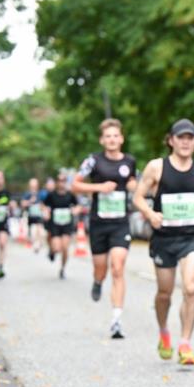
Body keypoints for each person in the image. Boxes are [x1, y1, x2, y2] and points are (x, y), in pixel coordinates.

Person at [133, 118, 194, 366]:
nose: (185, 142)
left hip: (190, 236)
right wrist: (150, 214)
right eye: (180, 137)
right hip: (164, 238)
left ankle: (185, 343)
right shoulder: (156, 167)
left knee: (191, 287)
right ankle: (164, 333)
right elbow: (138, 197)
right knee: (165, 293)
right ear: (171, 140)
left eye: (190, 138)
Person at [72, 118, 138, 338]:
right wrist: (99, 187)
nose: (111, 139)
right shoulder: (93, 161)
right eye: (107, 136)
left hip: (120, 223)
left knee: (118, 267)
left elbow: (134, 183)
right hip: (99, 223)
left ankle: (116, 320)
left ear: (121, 138)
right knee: (101, 268)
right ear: (102, 140)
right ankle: (98, 281)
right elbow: (75, 184)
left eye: (115, 135)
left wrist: (133, 185)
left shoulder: (129, 161)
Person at [44, 171, 79, 279]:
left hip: (67, 224)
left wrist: (75, 210)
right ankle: (52, 251)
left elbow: (78, 206)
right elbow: (44, 206)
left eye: (64, 181)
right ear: (56, 182)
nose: (61, 183)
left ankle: (63, 269)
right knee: (57, 248)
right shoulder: (51, 195)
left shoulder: (70, 195)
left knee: (65, 247)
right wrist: (46, 212)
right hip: (54, 224)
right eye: (59, 181)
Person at [21, 178, 46, 253]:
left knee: (39, 229)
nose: (33, 185)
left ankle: (38, 243)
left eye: (35, 184)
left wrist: (43, 208)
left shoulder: (40, 194)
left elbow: (44, 204)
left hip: (38, 215)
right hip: (30, 215)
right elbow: (23, 204)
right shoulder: (27, 194)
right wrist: (30, 201)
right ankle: (34, 242)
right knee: (32, 231)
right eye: (32, 184)